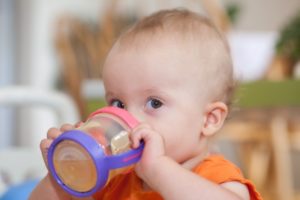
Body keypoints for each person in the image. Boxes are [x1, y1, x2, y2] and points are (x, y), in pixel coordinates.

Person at [30, 8, 262, 200]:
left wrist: (159, 169)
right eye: (118, 103)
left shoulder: (215, 178)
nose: (129, 120)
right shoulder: (115, 178)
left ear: (209, 119)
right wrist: (62, 177)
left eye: (154, 102)